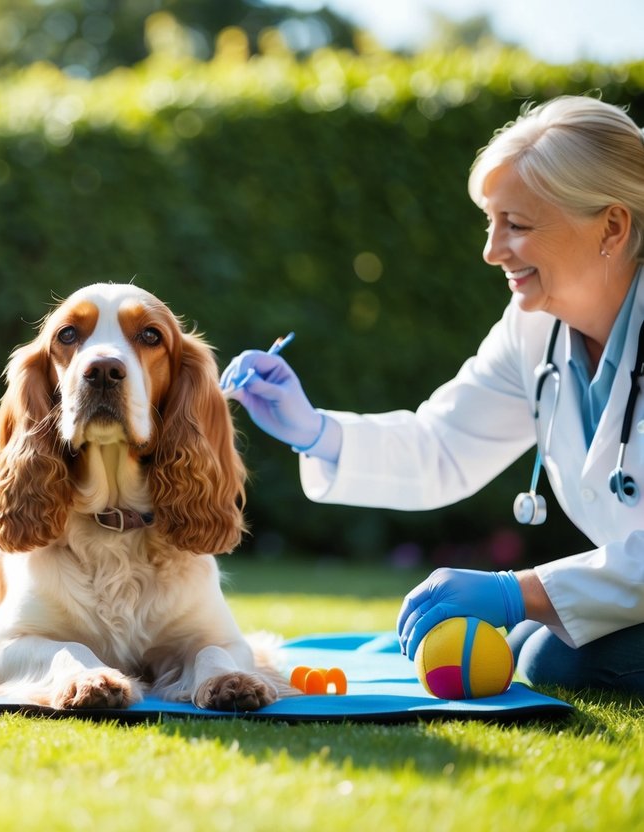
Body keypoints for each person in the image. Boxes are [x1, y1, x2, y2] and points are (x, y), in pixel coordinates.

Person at [223, 94, 644, 694]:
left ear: (611, 226)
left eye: (518, 226)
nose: (491, 251)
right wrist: (315, 429)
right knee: (532, 644)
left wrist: (515, 591)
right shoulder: (536, 329)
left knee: (558, 657)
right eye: (491, 223)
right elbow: (443, 445)